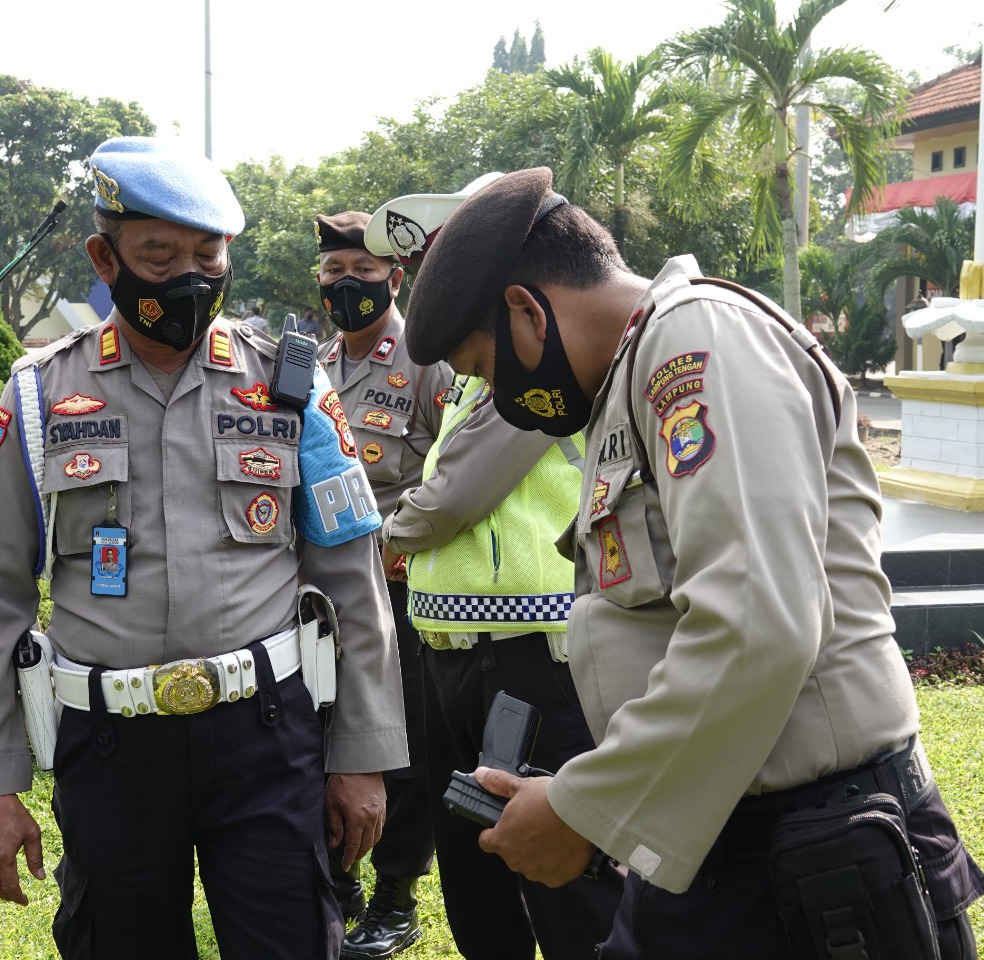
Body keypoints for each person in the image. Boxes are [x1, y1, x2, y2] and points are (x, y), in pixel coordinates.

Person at [399, 166, 984, 959]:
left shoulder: (695, 340)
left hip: (814, 851)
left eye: (486, 369)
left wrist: (581, 808)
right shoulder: (626, 383)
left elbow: (755, 624)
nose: (499, 398)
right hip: (718, 839)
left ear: (524, 310)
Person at [0, 136, 407, 960]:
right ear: (104, 255)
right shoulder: (41, 394)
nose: (188, 278)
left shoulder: (291, 383)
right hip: (110, 744)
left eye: (208, 253)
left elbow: (351, 578)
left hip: (266, 734)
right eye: (158, 254)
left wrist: (363, 757)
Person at [365, 181, 621, 959]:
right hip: (455, 650)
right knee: (476, 879)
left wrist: (389, 534)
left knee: (566, 888)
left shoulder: (536, 370)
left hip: (528, 656)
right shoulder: (484, 371)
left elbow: (454, 496)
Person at [313, 210, 451, 958]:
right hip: (323, 598)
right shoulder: (314, 366)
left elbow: (454, 468)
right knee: (324, 735)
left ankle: (396, 899)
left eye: (361, 273)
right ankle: (339, 887)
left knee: (405, 751)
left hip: (402, 590)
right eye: (334, 274)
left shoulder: (428, 361)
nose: (347, 286)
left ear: (392, 278)